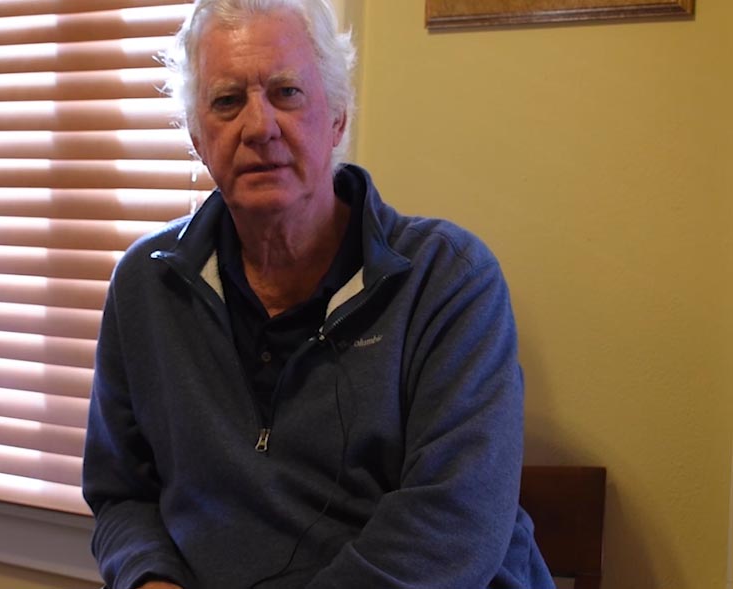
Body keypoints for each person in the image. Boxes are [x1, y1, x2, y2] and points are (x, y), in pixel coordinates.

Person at [82, 1, 554, 588]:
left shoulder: (448, 279)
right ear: (198, 139)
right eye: (227, 101)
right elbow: (122, 494)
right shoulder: (144, 286)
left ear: (336, 118)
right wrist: (150, 579)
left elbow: (453, 528)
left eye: (286, 92)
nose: (259, 126)